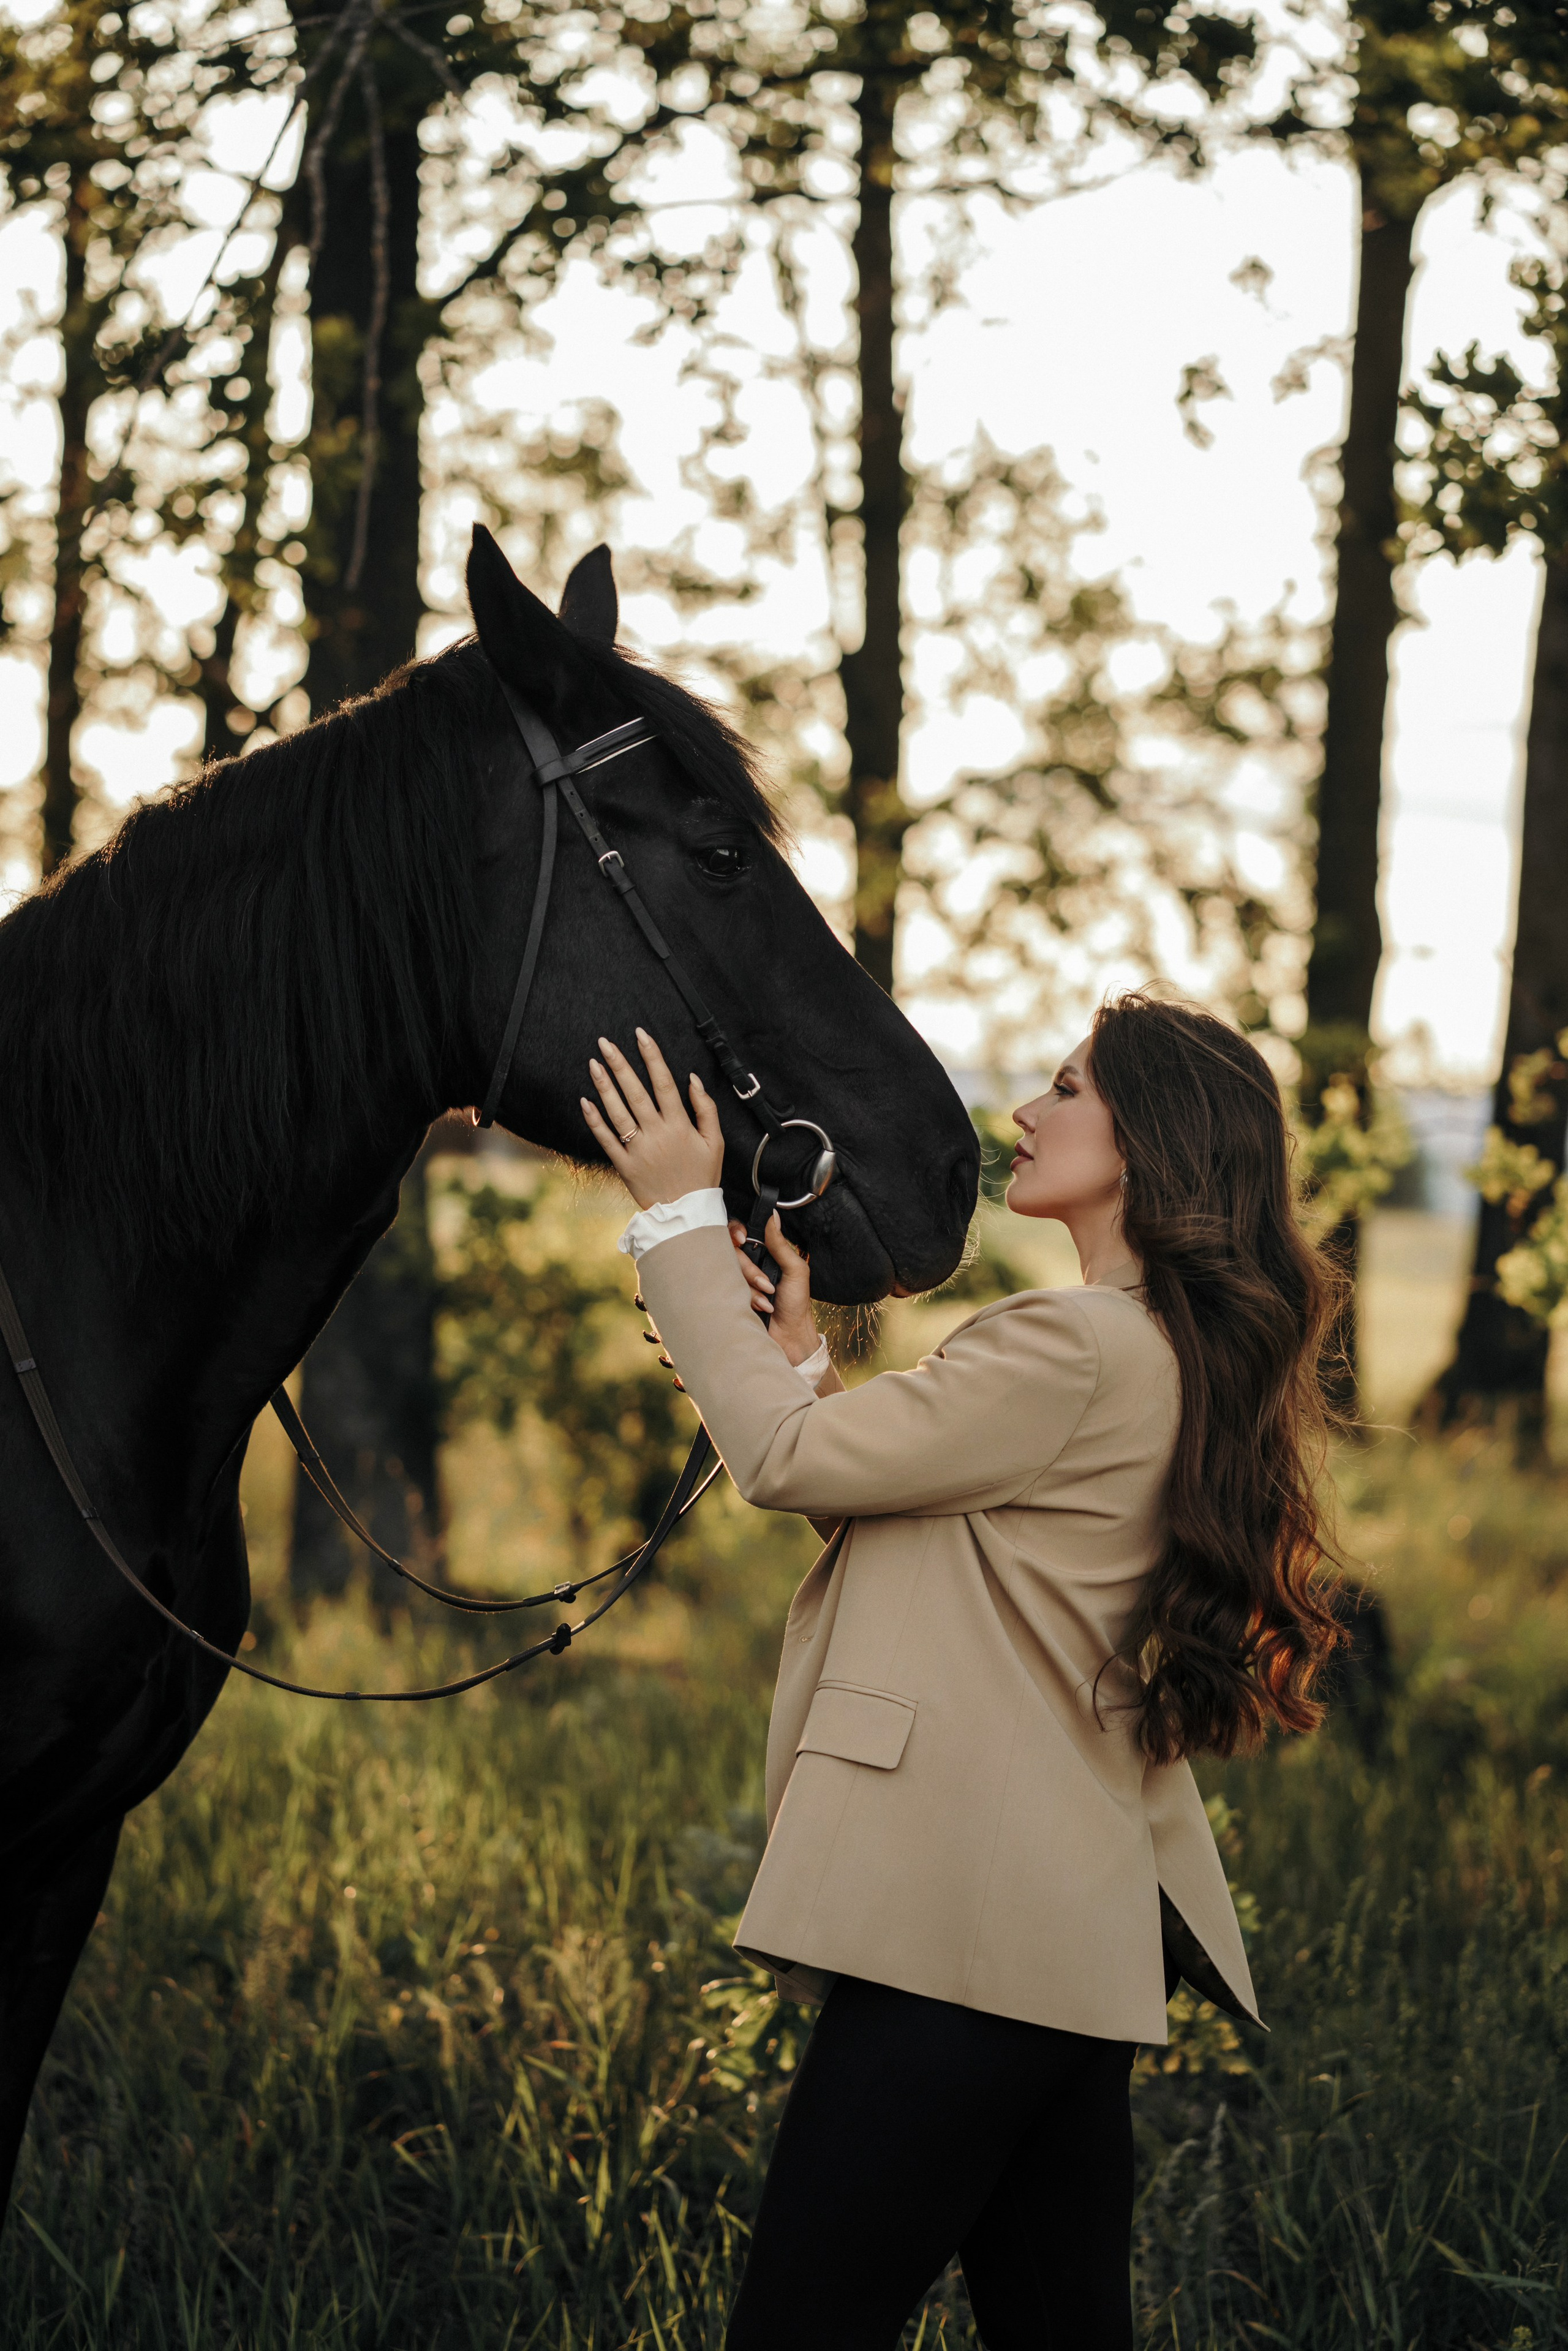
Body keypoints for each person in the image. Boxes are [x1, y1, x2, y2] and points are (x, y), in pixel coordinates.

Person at [579, 992, 1343, 2351]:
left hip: (962, 1947)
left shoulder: (1071, 1343)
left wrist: (674, 1219)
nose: (1023, 1114)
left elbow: (785, 1464)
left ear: (1147, 1137)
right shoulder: (1154, 1352)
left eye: (1064, 1086)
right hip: (1059, 1939)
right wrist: (799, 1358)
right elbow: (917, 1508)